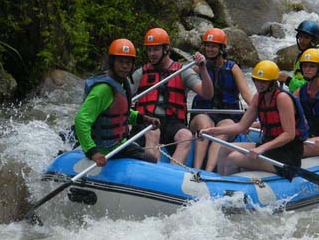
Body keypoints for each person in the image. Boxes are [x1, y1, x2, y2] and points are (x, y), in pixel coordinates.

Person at [200, 60, 308, 177]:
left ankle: (229, 189)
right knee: (225, 148)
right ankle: (218, 182)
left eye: (263, 82)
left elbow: (289, 134)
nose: (259, 85)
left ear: (272, 82)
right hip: (269, 147)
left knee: (233, 158)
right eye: (257, 80)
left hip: (287, 155)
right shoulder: (258, 97)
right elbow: (241, 126)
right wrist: (212, 131)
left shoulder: (282, 98)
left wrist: (262, 148)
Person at [131, 27, 213, 164]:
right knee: (153, 131)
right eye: (149, 50)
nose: (152, 54)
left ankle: (170, 172)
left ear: (166, 49)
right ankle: (151, 167)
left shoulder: (182, 72)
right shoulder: (141, 73)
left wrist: (203, 68)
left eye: (156, 49)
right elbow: (122, 97)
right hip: (147, 122)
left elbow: (207, 94)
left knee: (185, 135)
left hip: (172, 123)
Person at [74, 39, 160, 167]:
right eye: (120, 62)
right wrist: (93, 152)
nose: (125, 66)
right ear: (112, 62)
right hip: (103, 150)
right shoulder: (103, 89)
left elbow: (120, 113)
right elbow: (81, 120)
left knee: (151, 158)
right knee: (149, 160)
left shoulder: (120, 84)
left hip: (118, 145)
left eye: (128, 62)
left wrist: (144, 119)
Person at [189, 28, 254, 172]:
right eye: (207, 45)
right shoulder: (198, 68)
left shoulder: (233, 68)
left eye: (213, 46)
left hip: (227, 115)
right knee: (204, 126)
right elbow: (182, 87)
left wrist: (260, 111)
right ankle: (196, 170)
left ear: (221, 48)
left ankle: (208, 171)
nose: (210, 49)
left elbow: (246, 94)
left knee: (223, 129)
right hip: (204, 113)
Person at [278, 20, 319, 93]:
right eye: (300, 36)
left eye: (306, 38)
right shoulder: (302, 54)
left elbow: (316, 86)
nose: (301, 40)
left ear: (314, 40)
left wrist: (288, 80)